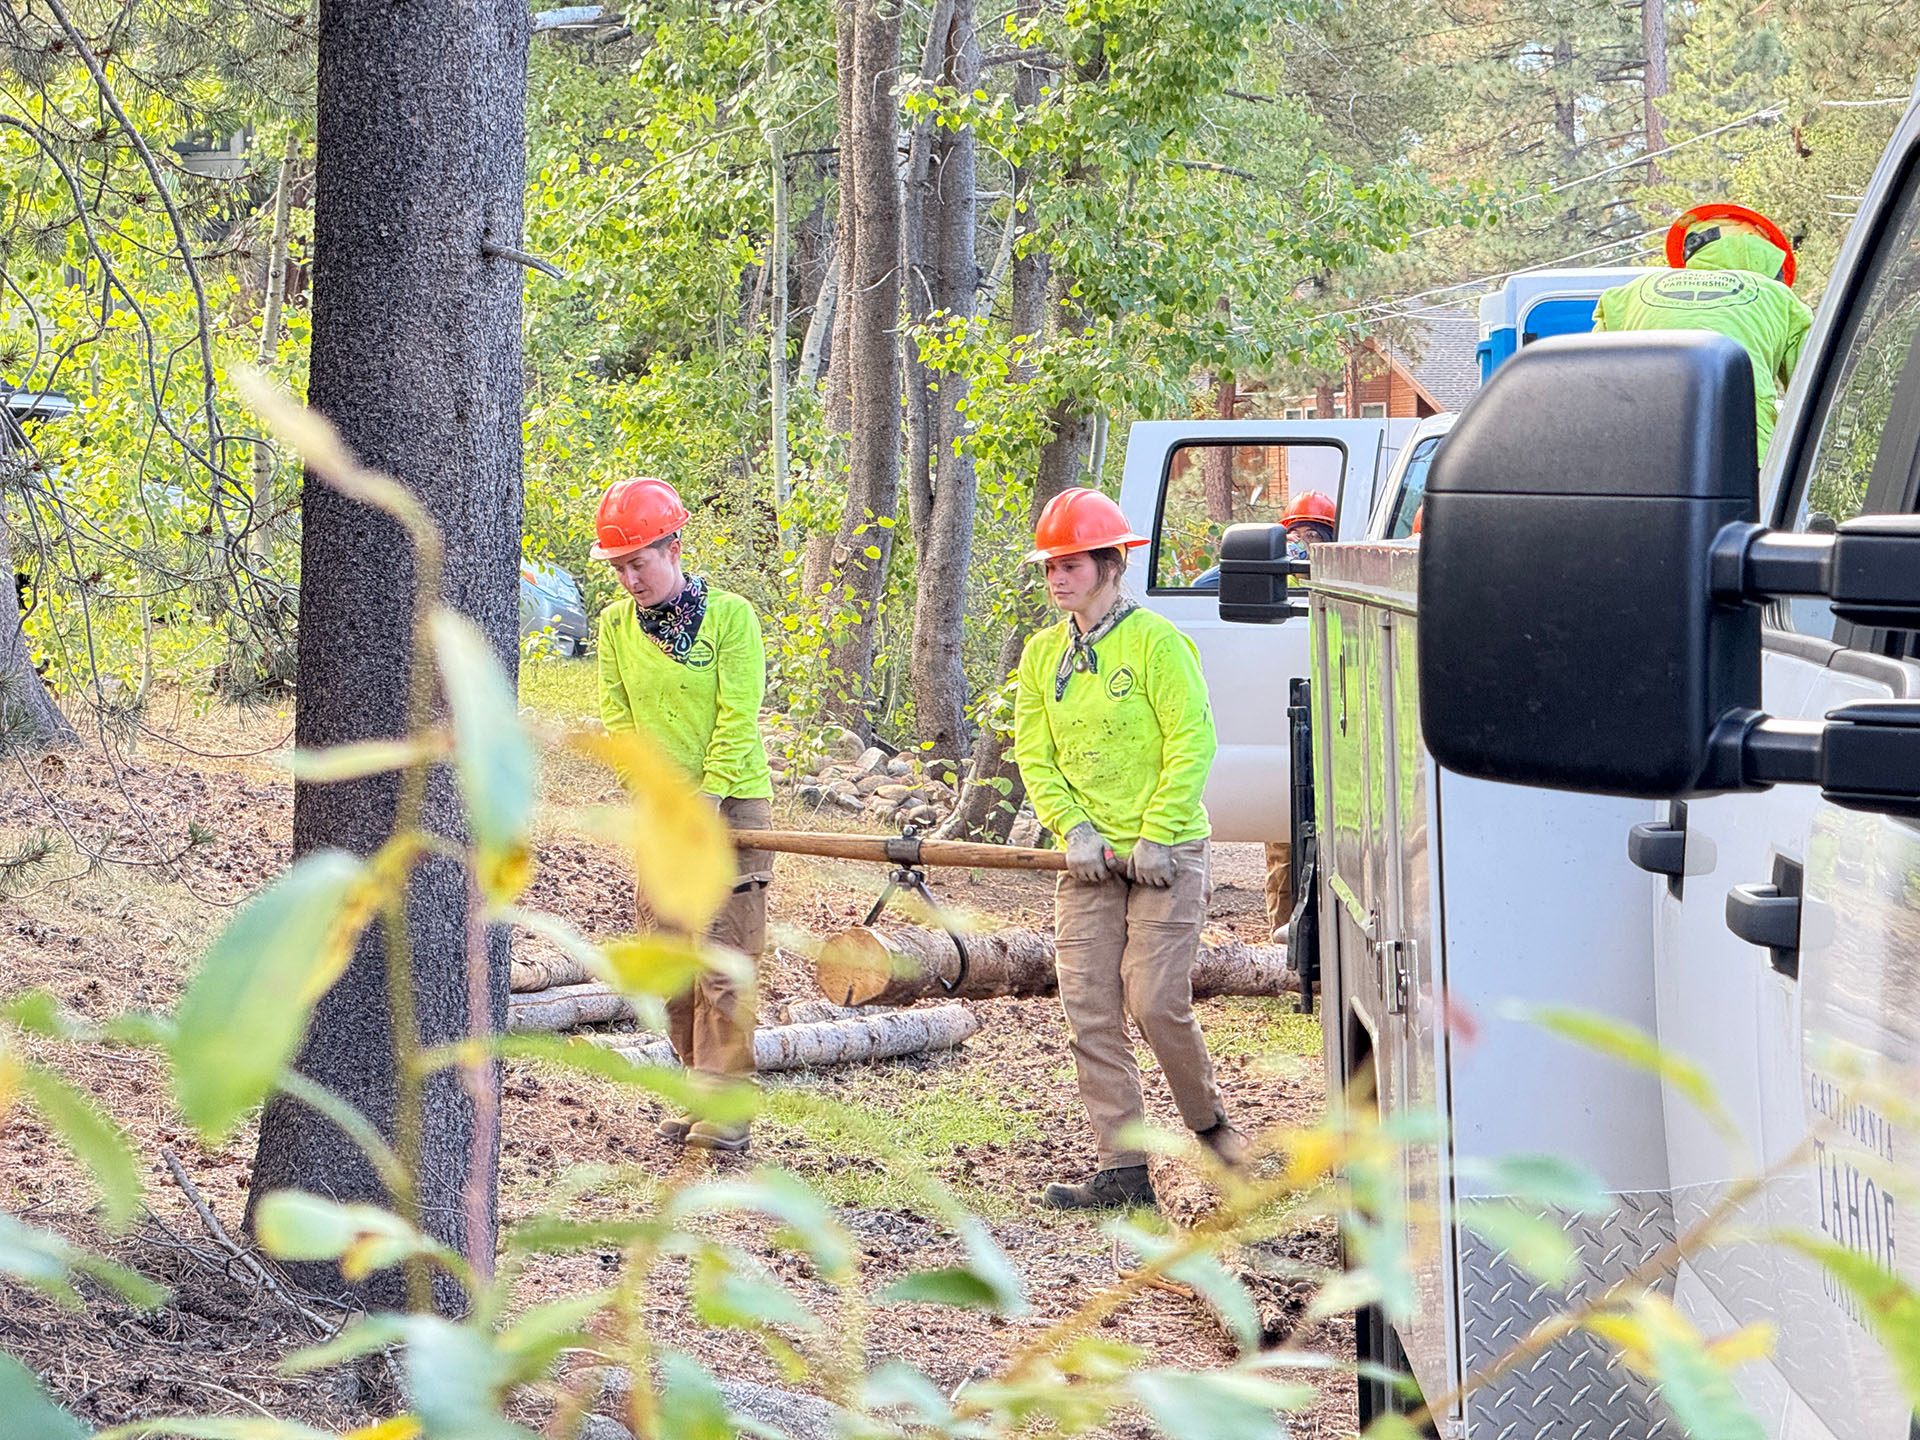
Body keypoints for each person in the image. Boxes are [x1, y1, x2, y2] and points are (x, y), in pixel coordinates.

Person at [1012, 487, 1248, 1210]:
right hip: (1089, 863)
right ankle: (1124, 1169)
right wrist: (1073, 829)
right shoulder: (1043, 654)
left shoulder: (1156, 643)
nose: (1057, 579)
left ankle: (1213, 1136)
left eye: (1071, 564)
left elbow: (1192, 740)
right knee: (1088, 1006)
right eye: (1050, 567)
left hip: (1164, 857)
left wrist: (1156, 831)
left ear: (1111, 564)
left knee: (1152, 1000)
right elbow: (1034, 751)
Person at [593, 476, 774, 1153]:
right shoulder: (615, 628)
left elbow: (737, 716)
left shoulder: (730, 618)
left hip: (731, 807)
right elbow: (617, 717)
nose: (630, 578)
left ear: (674, 548)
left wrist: (707, 795)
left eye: (639, 561)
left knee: (724, 957)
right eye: (619, 567)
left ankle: (725, 1105)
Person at [1593, 202, 1815, 457]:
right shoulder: (1780, 299)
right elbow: (1813, 388)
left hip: (1642, 450)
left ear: (1692, 247)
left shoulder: (1627, 294)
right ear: (1768, 256)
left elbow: (1598, 385)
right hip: (1745, 452)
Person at [1262, 488, 1338, 944]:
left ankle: (1327, 945)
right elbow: (1204, 588)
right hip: (1290, 722)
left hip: (1337, 720)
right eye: (1298, 532)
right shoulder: (1271, 580)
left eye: (1315, 533)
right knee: (1284, 841)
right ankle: (1283, 943)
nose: (1305, 542)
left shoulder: (1340, 579)